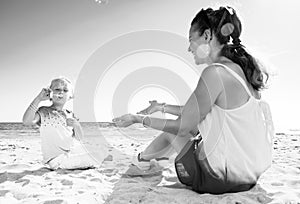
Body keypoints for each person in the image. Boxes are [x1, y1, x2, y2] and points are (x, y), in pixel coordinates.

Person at [113, 6, 274, 194]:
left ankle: (141, 162)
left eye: (191, 40)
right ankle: (148, 163)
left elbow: (183, 127)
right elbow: (197, 110)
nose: (189, 48)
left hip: (221, 181)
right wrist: (162, 107)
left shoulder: (215, 73)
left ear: (207, 36)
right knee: (196, 134)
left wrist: (136, 119)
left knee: (173, 132)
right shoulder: (241, 72)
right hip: (249, 177)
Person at [23, 77, 98, 170]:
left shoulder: (70, 114)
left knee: (96, 150)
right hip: (56, 159)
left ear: (70, 96)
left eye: (65, 90)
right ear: (49, 94)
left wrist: (76, 125)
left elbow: (79, 138)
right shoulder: (44, 111)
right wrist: (38, 99)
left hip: (70, 153)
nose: (61, 92)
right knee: (94, 157)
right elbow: (26, 121)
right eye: (57, 89)